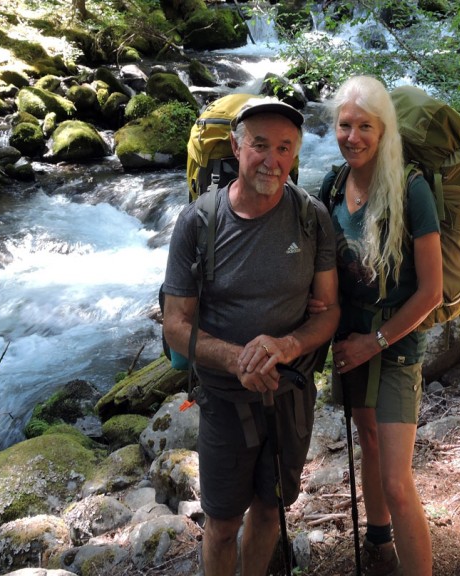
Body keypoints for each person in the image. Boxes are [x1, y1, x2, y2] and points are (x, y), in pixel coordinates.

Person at [162, 97, 339, 576]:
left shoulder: (311, 217)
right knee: (220, 523)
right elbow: (176, 325)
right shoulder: (199, 222)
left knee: (270, 509)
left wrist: (288, 346)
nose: (272, 159)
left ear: (295, 156)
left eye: (284, 148)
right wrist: (238, 356)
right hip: (225, 401)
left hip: (291, 397)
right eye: (260, 145)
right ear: (237, 147)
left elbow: (329, 312)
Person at [313, 76, 442, 576]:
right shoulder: (330, 186)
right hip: (350, 343)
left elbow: (430, 291)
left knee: (396, 481)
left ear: (384, 130)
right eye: (345, 125)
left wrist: (377, 342)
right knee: (366, 437)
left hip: (396, 345)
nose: (353, 137)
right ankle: (379, 541)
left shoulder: (412, 191)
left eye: (365, 126)